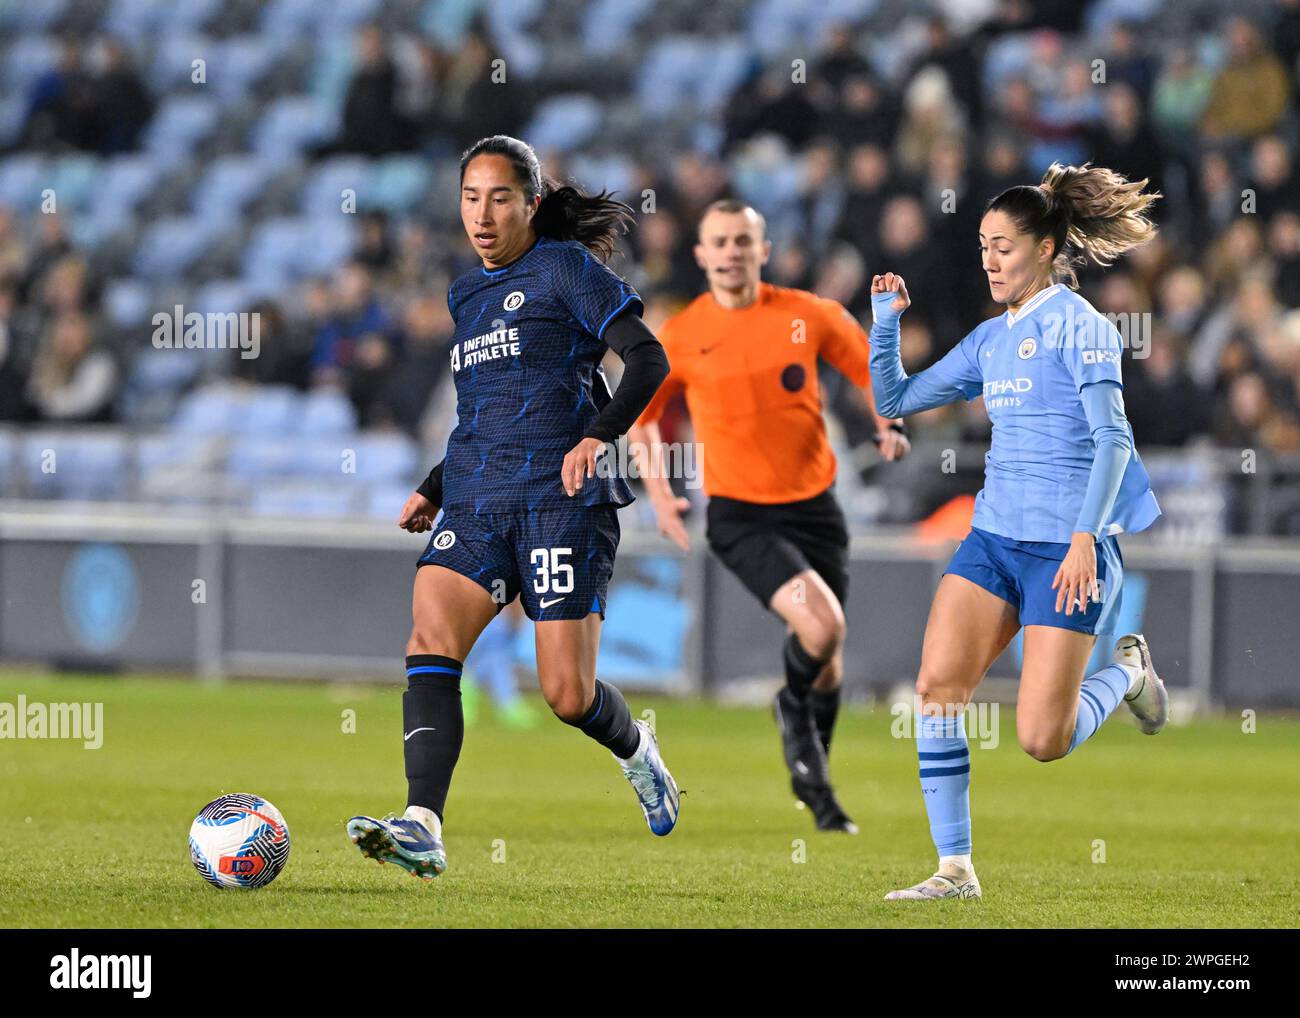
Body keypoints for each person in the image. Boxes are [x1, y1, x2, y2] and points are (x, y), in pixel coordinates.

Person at [347, 135, 679, 880]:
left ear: (531, 204)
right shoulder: (465, 294)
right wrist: (435, 485)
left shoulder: (565, 269)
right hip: (478, 496)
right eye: (470, 199)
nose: (483, 215)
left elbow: (649, 358)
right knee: (430, 631)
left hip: (561, 501)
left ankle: (638, 751)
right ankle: (423, 823)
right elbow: (485, 409)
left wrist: (599, 437)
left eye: (500, 198)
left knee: (567, 693)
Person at [868, 163, 1167, 901]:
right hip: (994, 539)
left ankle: (1128, 672)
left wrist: (1085, 540)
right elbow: (894, 397)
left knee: (1042, 739)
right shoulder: (990, 340)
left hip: (1068, 548)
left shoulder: (1083, 329)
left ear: (1044, 248)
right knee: (936, 688)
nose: (990, 260)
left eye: (1003, 246)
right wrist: (884, 324)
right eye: (982, 246)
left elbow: (1114, 442)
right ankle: (955, 870)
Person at [630, 199, 909, 833]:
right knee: (822, 629)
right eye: (719, 242)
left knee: (828, 656)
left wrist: (887, 420)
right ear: (701, 255)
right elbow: (641, 417)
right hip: (740, 514)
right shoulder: (680, 334)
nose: (731, 252)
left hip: (815, 507)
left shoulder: (807, 315)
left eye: (742, 241)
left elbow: (872, 370)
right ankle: (791, 712)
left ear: (763, 249)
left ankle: (817, 775)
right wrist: (659, 489)